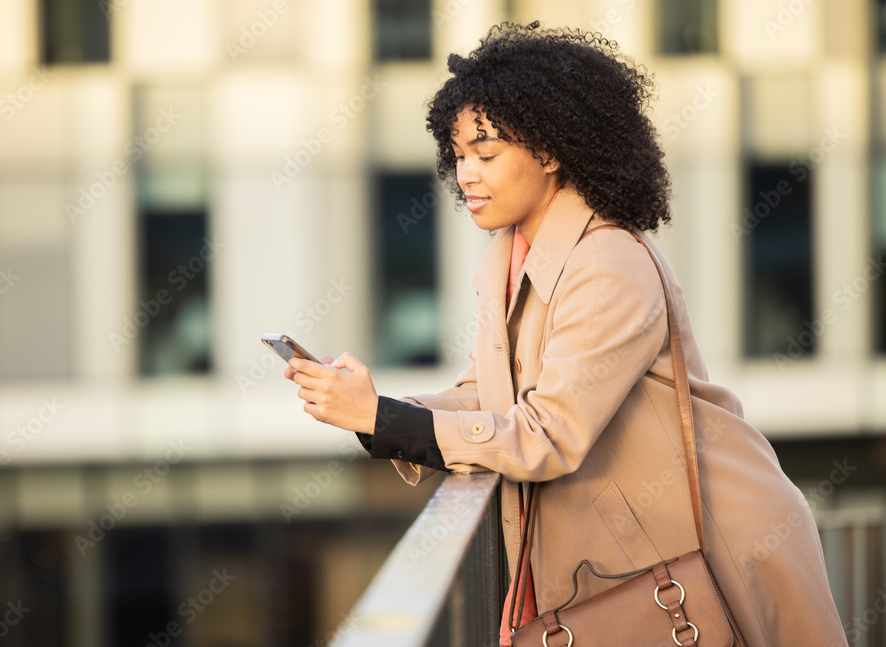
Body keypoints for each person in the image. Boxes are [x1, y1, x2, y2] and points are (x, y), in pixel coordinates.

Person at [284, 22, 847, 646]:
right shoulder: (512, 260)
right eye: (459, 155)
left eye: (486, 154)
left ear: (550, 151)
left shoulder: (606, 262)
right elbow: (488, 395)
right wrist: (376, 411)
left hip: (718, 549)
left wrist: (388, 422)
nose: (465, 175)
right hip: (641, 568)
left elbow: (549, 433)